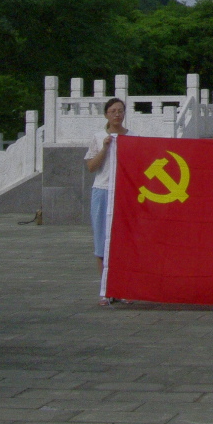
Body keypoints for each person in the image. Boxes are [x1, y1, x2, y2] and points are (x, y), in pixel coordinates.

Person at [85, 97, 126, 304]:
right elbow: (91, 167)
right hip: (102, 191)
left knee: (123, 242)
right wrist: (104, 147)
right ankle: (104, 290)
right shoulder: (99, 136)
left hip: (124, 193)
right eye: (113, 111)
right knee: (102, 242)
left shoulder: (132, 137)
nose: (117, 114)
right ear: (106, 114)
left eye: (120, 111)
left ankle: (121, 288)